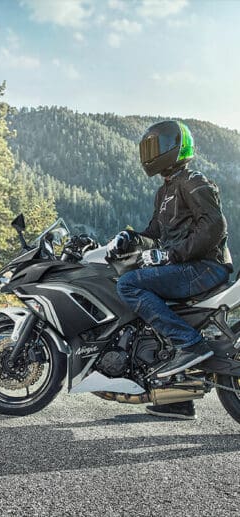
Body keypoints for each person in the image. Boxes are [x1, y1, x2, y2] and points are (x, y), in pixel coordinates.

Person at [107, 120, 233, 420]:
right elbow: (155, 232)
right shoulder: (165, 191)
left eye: (156, 147)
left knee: (129, 285)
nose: (150, 154)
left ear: (175, 147)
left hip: (204, 266)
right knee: (147, 313)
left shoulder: (194, 181)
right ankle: (176, 398)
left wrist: (172, 255)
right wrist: (131, 238)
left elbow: (214, 227)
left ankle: (190, 344)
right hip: (187, 266)